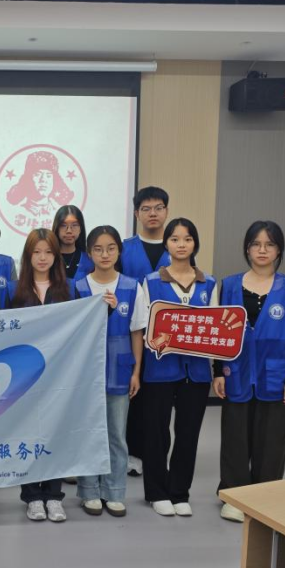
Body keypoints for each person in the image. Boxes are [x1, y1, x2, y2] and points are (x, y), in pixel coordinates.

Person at [213, 221, 285, 523]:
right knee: (235, 436)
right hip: (235, 371)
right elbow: (218, 332)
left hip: (276, 373)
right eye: (256, 244)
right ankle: (235, 496)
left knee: (272, 439)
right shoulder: (229, 285)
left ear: (279, 250)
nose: (262, 250)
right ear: (247, 248)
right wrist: (218, 371)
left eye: (270, 244)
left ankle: (266, 496)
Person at [141, 218, 217, 518]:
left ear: (195, 243)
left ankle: (179, 492)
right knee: (156, 433)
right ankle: (157, 492)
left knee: (188, 433)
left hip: (196, 372)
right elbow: (144, 326)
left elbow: (215, 330)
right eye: (174, 239)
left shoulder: (209, 283)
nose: (181, 244)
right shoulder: (150, 282)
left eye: (187, 239)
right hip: (159, 369)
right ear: (166, 244)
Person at [74, 226, 146, 518]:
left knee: (117, 434)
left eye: (111, 248)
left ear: (119, 251)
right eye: (98, 249)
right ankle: (89, 490)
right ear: (89, 253)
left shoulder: (131, 286)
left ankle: (115, 491)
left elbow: (137, 332)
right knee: (88, 432)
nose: (105, 254)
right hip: (86, 371)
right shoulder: (79, 287)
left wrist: (136, 372)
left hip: (120, 368)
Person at [6, 228, 74, 523]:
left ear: (56, 256)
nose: (42, 258)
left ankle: (54, 496)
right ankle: (33, 497)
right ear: (27, 256)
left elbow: (84, 324)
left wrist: (105, 309)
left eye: (48, 252)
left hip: (59, 375)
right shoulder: (13, 290)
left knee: (55, 434)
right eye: (37, 252)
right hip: (24, 376)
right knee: (28, 434)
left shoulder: (69, 289)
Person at [121, 186, 172, 478]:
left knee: (161, 398)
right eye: (146, 208)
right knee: (133, 394)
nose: (153, 213)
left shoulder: (177, 247)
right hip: (131, 332)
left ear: (166, 211)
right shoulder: (124, 248)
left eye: (158, 208)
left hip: (167, 337)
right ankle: (132, 454)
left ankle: (157, 453)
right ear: (136, 213)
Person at [6, 150, 75, 217]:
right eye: (37, 174)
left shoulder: (58, 212)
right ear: (28, 179)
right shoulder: (18, 211)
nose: (43, 180)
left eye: (48, 176)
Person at [52, 205, 93, 280]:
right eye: (63, 225)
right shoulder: (49, 258)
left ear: (80, 229)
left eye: (74, 225)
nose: (69, 231)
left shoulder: (89, 260)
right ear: (57, 228)